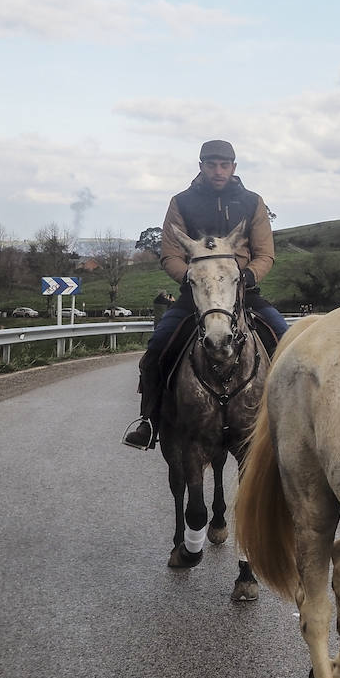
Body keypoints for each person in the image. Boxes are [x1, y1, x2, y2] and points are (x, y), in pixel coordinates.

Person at [122, 139, 289, 449]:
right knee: (157, 348)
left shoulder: (253, 202)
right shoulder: (181, 202)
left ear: (234, 168)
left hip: (242, 292)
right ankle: (149, 421)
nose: (218, 170)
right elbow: (170, 252)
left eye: (224, 165)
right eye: (211, 164)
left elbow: (265, 252)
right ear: (201, 166)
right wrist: (189, 276)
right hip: (195, 294)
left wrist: (247, 276)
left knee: (287, 339)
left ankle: (293, 423)